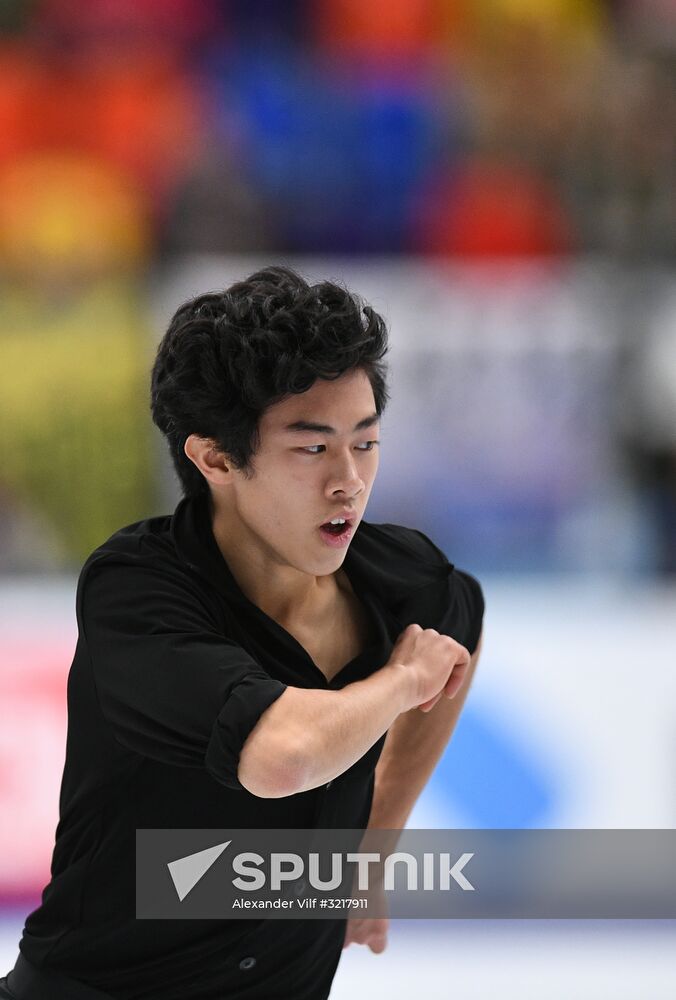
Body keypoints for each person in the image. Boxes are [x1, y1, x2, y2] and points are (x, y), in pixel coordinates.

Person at [0, 265, 484, 999]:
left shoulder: (402, 577)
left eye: (366, 442)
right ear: (216, 458)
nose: (349, 480)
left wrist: (372, 849)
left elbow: (459, 633)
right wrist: (400, 682)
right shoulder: (137, 593)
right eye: (313, 448)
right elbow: (283, 756)